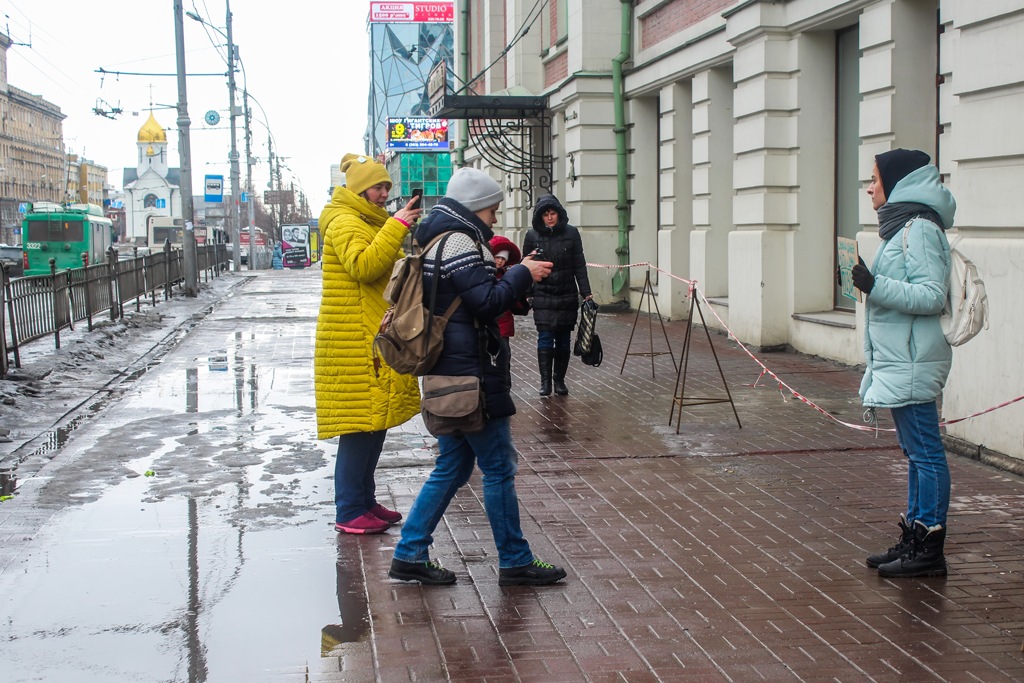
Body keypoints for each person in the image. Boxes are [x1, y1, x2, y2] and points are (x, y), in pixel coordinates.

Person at [389, 168, 567, 587]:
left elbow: (471, 298)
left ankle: (409, 552)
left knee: (452, 466)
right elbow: (485, 303)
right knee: (499, 467)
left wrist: (514, 279)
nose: (495, 218)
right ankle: (515, 560)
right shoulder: (459, 242)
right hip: (470, 374)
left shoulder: (438, 237)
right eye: (492, 210)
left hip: (450, 372)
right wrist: (522, 273)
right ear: (474, 208)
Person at [852, 148, 956, 578]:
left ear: (897, 183)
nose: (869, 188)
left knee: (926, 454)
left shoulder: (920, 229)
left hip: (913, 361)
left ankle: (929, 548)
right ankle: (915, 537)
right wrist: (864, 282)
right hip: (901, 360)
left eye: (875, 179)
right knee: (916, 453)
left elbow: (932, 295)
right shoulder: (902, 227)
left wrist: (875, 285)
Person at [314, 153, 423, 535]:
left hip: (367, 334)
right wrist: (396, 227)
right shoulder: (344, 221)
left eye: (386, 187)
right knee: (359, 427)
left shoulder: (364, 220)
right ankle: (349, 510)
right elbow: (363, 265)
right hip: (353, 339)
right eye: (378, 187)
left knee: (374, 422)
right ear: (360, 188)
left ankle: (364, 500)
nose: (384, 194)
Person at [522, 195, 592, 397]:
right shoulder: (532, 235)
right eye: (546, 214)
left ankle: (559, 380)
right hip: (543, 294)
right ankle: (545, 382)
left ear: (559, 214)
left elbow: (579, 264)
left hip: (566, 293)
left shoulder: (571, 233)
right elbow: (525, 266)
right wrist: (527, 293)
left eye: (553, 213)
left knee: (563, 339)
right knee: (545, 337)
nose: (550, 218)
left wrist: (586, 292)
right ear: (540, 217)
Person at [489, 234, 531, 388]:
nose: (500, 261)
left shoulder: (506, 275)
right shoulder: (486, 274)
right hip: (491, 322)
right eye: (498, 257)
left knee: (504, 355)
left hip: (504, 322)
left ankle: (505, 386)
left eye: (503, 259)